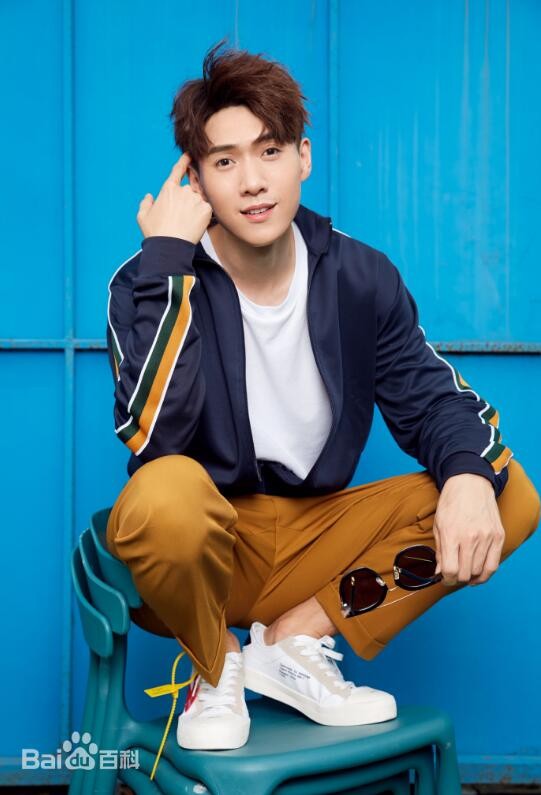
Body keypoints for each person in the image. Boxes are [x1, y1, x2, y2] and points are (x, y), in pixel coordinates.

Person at [105, 41, 540, 751]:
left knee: (506, 489)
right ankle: (213, 665)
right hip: (204, 552)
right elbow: (154, 437)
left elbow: (432, 395)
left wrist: (466, 473)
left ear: (302, 158)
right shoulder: (146, 280)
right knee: (163, 493)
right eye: (224, 162)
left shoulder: (358, 276)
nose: (253, 181)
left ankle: (292, 641)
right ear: (196, 180)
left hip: (316, 542)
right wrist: (169, 264)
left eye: (270, 151)